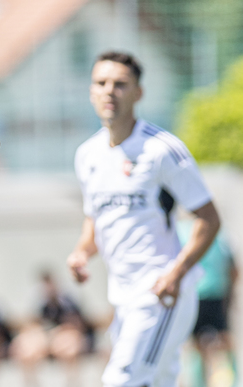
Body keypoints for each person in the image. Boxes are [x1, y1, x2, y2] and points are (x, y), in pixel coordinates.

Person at [67, 51, 221, 387]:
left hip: (160, 293)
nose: (109, 91)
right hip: (122, 296)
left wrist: (176, 273)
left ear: (139, 93)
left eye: (120, 84)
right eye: (101, 83)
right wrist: (81, 252)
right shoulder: (87, 155)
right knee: (159, 381)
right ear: (91, 91)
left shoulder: (162, 150)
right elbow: (95, 219)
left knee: (122, 379)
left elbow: (209, 219)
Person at [176, 222, 238, 386]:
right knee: (220, 341)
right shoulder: (220, 235)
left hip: (202, 295)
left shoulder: (181, 231)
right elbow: (233, 268)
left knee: (204, 344)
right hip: (211, 295)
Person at [9, 272, 94, 387]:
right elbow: (34, 324)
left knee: (68, 347)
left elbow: (77, 325)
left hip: (68, 341)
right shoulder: (42, 304)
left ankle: (72, 382)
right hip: (48, 341)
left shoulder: (67, 302)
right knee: (26, 349)